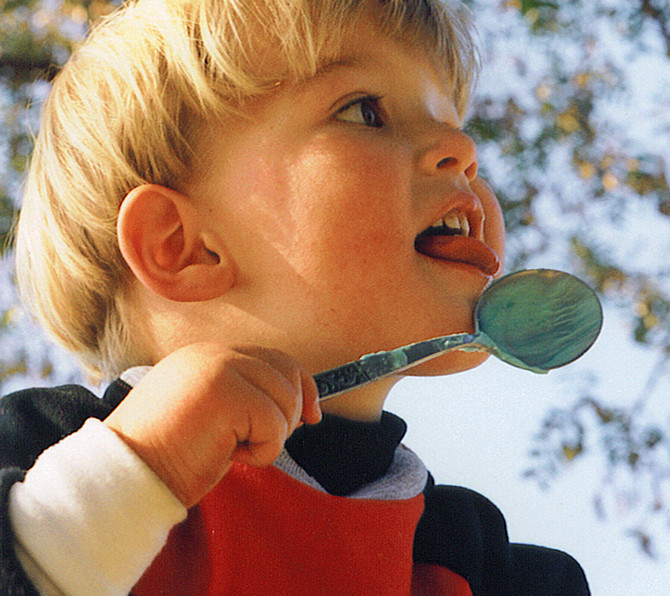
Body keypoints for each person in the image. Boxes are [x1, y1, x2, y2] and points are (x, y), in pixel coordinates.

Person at [1, 0, 591, 593]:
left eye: (455, 123)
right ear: (185, 246)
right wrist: (137, 469)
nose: (461, 151)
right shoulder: (42, 454)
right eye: (365, 112)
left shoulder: (487, 566)